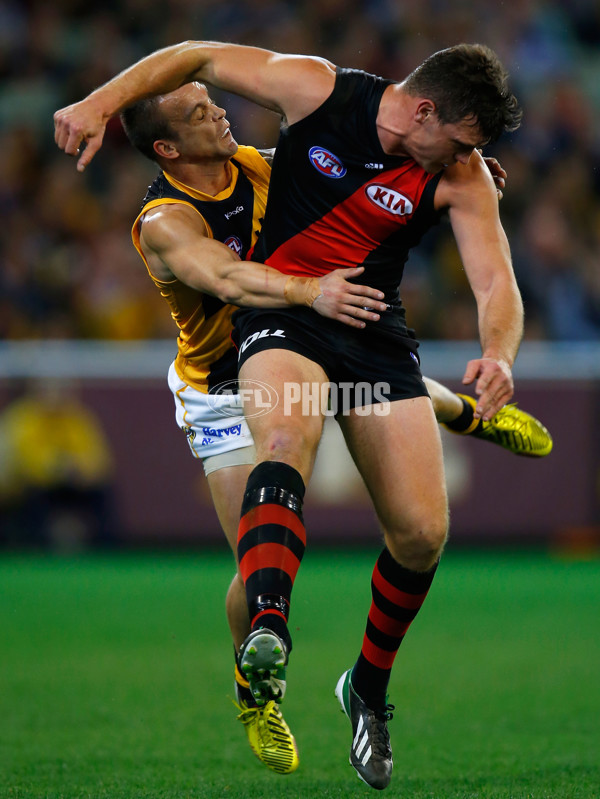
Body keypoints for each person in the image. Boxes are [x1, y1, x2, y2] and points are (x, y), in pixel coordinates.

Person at [53, 43, 552, 790]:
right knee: (279, 460)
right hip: (233, 364)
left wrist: (500, 352)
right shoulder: (168, 214)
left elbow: (496, 280)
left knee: (421, 533)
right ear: (425, 112)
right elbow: (224, 271)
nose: (218, 113)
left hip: (356, 322)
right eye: (197, 113)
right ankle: (263, 655)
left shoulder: (274, 158)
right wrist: (95, 102)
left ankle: (366, 683)